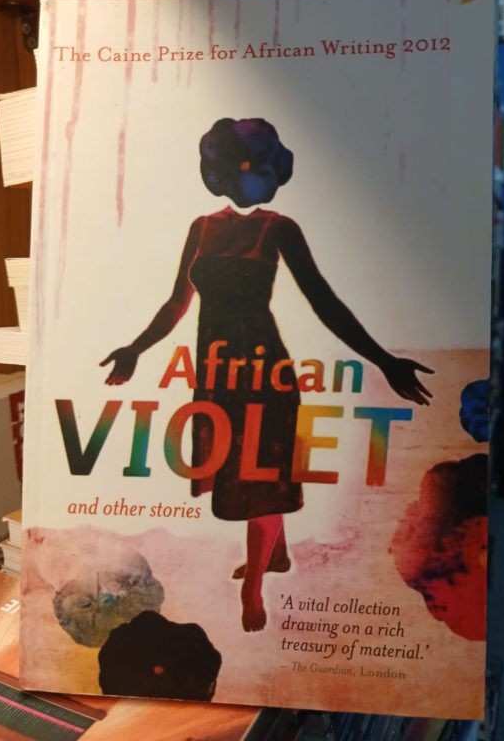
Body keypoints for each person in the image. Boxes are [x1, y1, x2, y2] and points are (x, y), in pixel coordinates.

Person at [101, 118, 433, 632]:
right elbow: (176, 303)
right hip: (216, 371)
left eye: (256, 163)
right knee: (243, 475)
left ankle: (253, 585)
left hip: (263, 372)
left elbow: (324, 302)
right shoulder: (201, 227)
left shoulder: (279, 228)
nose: (248, 172)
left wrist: (383, 360)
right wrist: (135, 348)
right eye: (240, 163)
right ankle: (275, 554)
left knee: (260, 478)